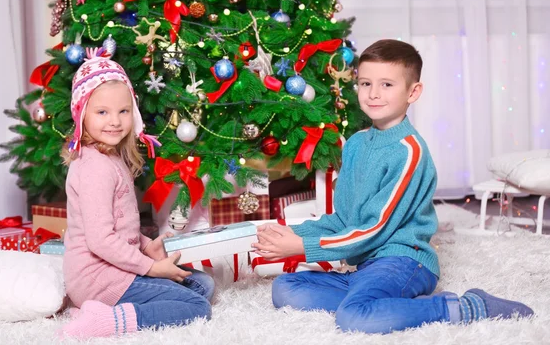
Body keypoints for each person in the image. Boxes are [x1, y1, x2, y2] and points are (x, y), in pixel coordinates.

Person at [253, 39, 533, 334]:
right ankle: (374, 301)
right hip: (364, 267)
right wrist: (292, 232)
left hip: (403, 261)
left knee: (353, 318)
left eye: (387, 85)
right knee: (285, 288)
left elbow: (374, 229)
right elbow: (343, 220)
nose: (373, 94)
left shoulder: (408, 151)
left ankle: (464, 306)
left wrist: (301, 246)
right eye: (365, 83)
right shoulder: (356, 144)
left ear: (413, 92)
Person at [57, 48, 214, 339]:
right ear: (82, 114)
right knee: (197, 305)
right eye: (102, 112)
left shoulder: (110, 157)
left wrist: (145, 245)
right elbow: (101, 240)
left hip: (116, 269)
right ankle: (105, 320)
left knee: (202, 284)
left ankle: (96, 307)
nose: (114, 121)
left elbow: (119, 227)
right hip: (97, 278)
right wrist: (151, 268)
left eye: (123, 111)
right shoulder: (95, 169)